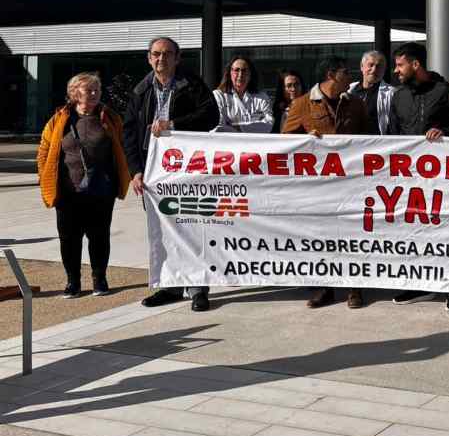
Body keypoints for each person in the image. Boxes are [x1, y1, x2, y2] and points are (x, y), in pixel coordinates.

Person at [124, 36, 220, 312]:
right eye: (156, 54)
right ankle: (171, 285)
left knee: (192, 228)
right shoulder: (141, 90)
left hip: (186, 170)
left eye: (167, 54)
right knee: (162, 232)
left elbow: (210, 116)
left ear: (177, 58)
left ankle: (198, 288)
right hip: (153, 173)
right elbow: (129, 133)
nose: (161, 59)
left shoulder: (191, 85)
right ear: (149, 58)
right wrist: (135, 171)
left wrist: (174, 124)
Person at [387, 42, 449, 311]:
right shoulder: (398, 96)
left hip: (443, 179)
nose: (396, 70)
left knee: (446, 230)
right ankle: (418, 285)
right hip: (409, 178)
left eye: (400, 65)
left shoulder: (444, 91)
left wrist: (444, 132)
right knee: (413, 231)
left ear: (416, 64)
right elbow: (391, 135)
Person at [283, 56, 370, 309]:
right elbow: (284, 141)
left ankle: (354, 287)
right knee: (321, 235)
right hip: (317, 185)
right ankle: (325, 288)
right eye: (345, 72)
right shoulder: (302, 104)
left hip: (350, 181)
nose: (351, 76)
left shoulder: (356, 103)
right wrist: (304, 141)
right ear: (331, 75)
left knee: (352, 234)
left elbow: (370, 139)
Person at [37, 73, 131, 298]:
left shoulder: (110, 117)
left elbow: (123, 146)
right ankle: (73, 282)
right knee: (69, 239)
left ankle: (100, 279)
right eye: (88, 90)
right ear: (74, 93)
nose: (94, 93)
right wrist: (44, 175)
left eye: (97, 89)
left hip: (101, 190)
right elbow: (44, 150)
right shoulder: (59, 119)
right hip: (67, 191)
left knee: (99, 237)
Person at [213, 56, 274, 133]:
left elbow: (269, 124)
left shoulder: (262, 97)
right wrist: (254, 127)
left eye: (244, 70)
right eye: (236, 70)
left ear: (250, 74)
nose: (240, 74)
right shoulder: (219, 95)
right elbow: (219, 127)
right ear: (230, 73)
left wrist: (237, 127)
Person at [347, 50, 397, 135]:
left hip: (378, 142)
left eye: (379, 66)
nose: (374, 70)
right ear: (362, 66)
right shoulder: (350, 90)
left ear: (384, 70)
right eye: (370, 65)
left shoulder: (392, 93)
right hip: (352, 141)